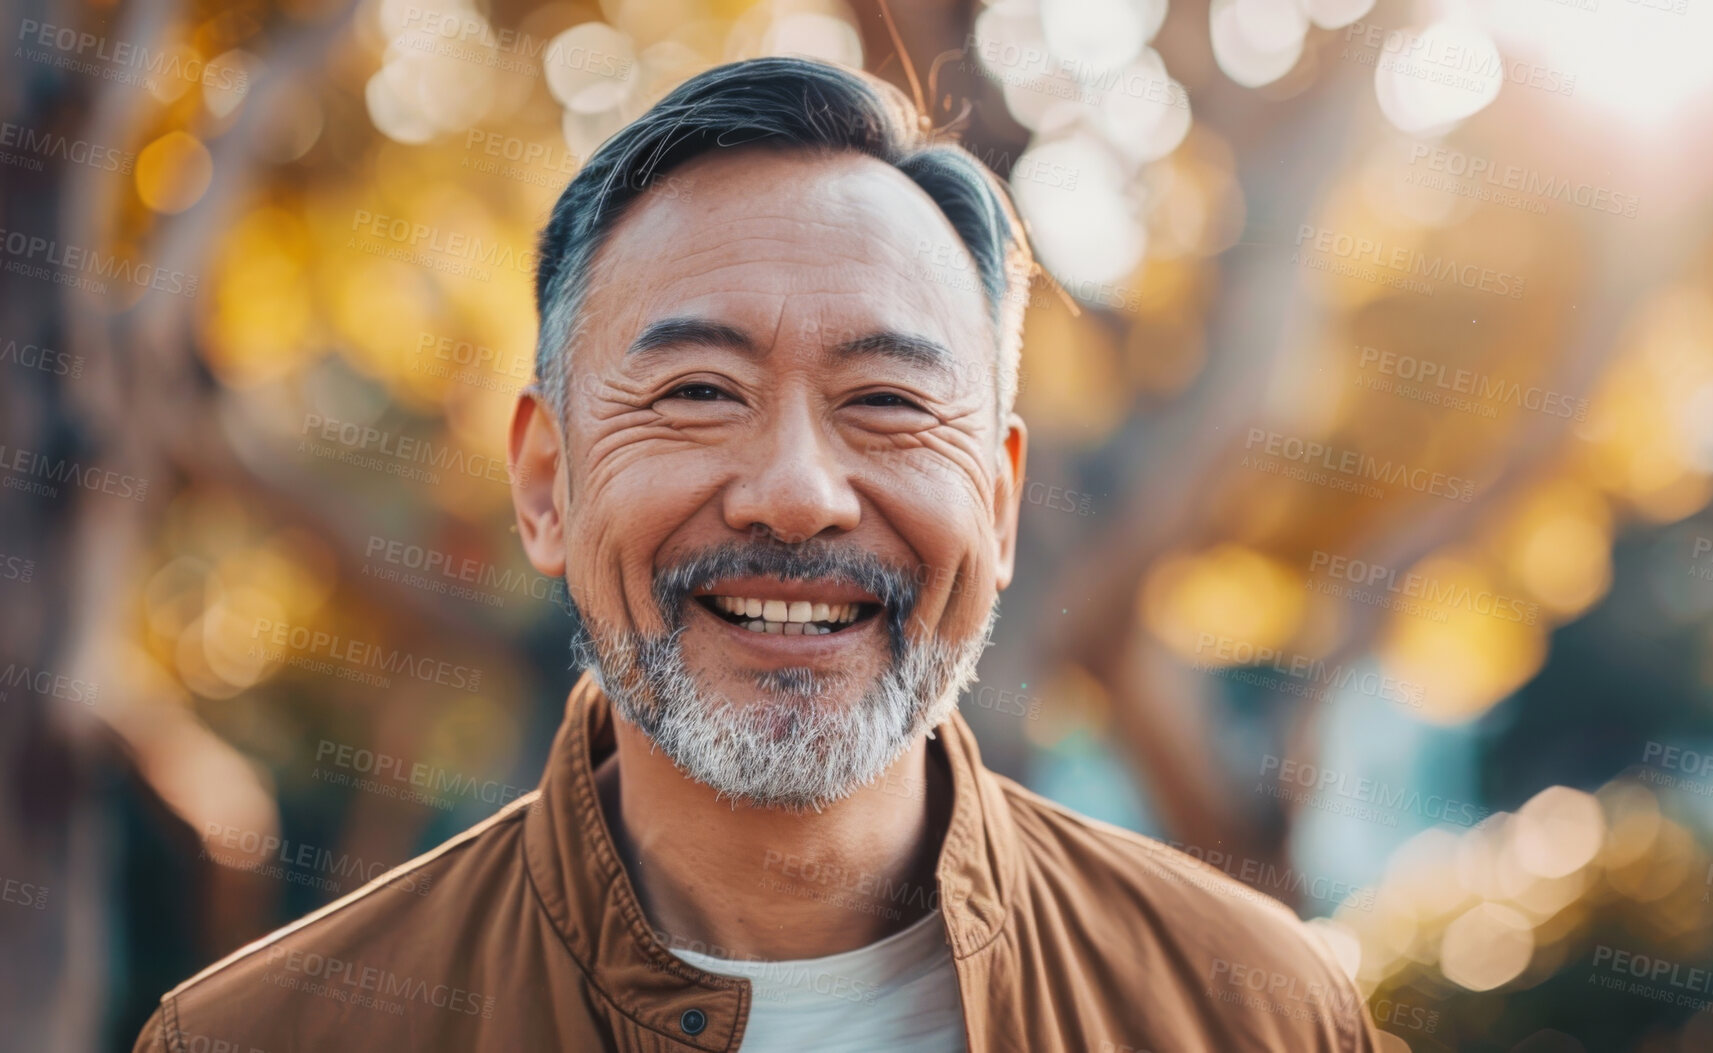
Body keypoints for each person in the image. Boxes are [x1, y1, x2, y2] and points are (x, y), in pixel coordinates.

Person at [135, 55, 1375, 1052]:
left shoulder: (1260, 1015)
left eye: (887, 400)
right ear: (545, 483)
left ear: (998, 506)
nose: (796, 495)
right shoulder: (267, 1037)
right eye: (698, 391)